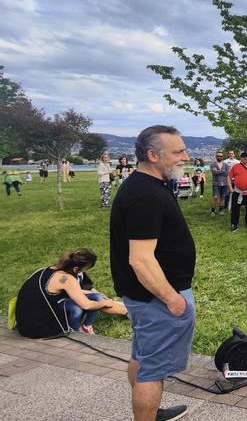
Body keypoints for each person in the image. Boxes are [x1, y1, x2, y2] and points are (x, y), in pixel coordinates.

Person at [109, 125, 195, 421]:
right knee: (152, 369)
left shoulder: (148, 185)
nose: (185, 156)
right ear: (153, 155)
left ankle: (152, 411)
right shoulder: (144, 194)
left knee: (142, 356)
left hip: (145, 297)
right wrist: (172, 299)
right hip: (156, 298)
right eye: (178, 151)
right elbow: (141, 260)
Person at [15, 248, 127, 338]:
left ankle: (130, 310)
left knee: (96, 297)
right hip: (40, 328)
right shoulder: (67, 279)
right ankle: (133, 313)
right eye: (86, 269)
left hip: (24, 324)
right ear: (76, 269)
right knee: (95, 301)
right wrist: (105, 303)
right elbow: (86, 304)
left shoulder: (45, 270)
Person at [209, 151, 229, 216]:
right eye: (218, 156)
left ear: (222, 157)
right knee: (215, 197)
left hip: (225, 183)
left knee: (222, 197)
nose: (219, 157)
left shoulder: (226, 165)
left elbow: (227, 173)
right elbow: (214, 173)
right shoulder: (212, 164)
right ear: (216, 156)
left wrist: (218, 171)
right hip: (216, 184)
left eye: (220, 156)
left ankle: (221, 210)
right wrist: (222, 171)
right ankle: (212, 211)